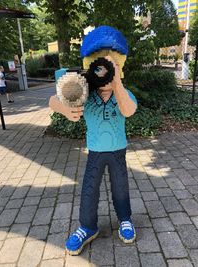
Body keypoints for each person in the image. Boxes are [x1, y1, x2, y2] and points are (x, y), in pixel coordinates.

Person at [49, 26, 138, 256]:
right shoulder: (85, 95)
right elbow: (52, 100)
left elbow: (128, 110)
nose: (106, 72)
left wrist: (117, 83)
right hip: (96, 152)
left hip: (118, 151)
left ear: (121, 67)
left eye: (112, 65)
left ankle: (125, 219)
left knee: (120, 187)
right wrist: (65, 110)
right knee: (89, 189)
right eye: (100, 67)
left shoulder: (123, 93)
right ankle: (87, 226)